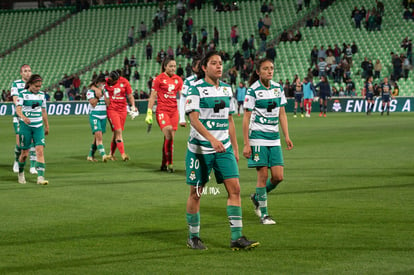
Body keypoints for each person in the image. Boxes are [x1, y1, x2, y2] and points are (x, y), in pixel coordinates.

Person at [184, 51, 259, 250]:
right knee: (196, 193)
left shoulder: (227, 89)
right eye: (214, 63)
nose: (219, 67)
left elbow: (229, 120)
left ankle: (237, 237)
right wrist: (211, 139)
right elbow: (193, 119)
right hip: (200, 149)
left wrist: (234, 147)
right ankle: (193, 237)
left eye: (220, 63)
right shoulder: (195, 88)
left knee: (235, 189)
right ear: (204, 67)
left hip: (223, 148)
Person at [243, 57, 293, 225]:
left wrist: (286, 135)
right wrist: (246, 143)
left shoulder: (278, 89)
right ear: (258, 72)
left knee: (278, 177)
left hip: (274, 137)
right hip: (257, 136)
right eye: (265, 68)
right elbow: (246, 118)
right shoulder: (252, 90)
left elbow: (282, 114)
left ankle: (257, 197)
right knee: (263, 175)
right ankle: (264, 215)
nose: (269, 71)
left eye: (271, 68)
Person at [145, 57, 184, 172]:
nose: (173, 68)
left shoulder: (178, 80)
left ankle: (163, 163)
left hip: (174, 112)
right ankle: (170, 164)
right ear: (165, 67)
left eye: (174, 66)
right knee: (169, 134)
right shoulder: (158, 79)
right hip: (162, 111)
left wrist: (186, 112)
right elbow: (152, 96)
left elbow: (183, 97)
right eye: (171, 66)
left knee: (169, 139)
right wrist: (149, 112)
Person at [15, 74, 49, 185]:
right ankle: (20, 173)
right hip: (26, 127)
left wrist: (47, 125)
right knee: (24, 153)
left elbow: (43, 111)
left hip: (38, 127)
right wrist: (23, 117)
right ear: (30, 84)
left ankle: (40, 177)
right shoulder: (23, 94)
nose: (38, 88)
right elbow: (18, 109)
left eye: (40, 86)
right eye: (36, 86)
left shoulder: (42, 95)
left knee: (40, 151)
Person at [104, 70, 137, 161]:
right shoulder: (106, 82)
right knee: (118, 131)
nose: (111, 82)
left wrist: (133, 106)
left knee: (116, 132)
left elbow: (130, 95)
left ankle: (111, 154)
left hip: (122, 110)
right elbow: (100, 87)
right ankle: (123, 154)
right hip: (112, 110)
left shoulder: (124, 82)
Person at [11, 64, 37, 174]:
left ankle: (32, 166)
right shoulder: (16, 84)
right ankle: (17, 160)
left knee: (32, 142)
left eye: (29, 71)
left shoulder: (34, 84)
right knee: (20, 143)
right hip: (19, 118)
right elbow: (16, 100)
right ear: (21, 73)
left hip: (32, 118)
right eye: (25, 71)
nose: (28, 73)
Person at [86, 76, 111, 162]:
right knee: (99, 137)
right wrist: (97, 97)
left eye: (104, 83)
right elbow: (92, 103)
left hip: (103, 116)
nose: (103, 85)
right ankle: (103, 155)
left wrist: (104, 94)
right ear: (97, 83)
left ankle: (90, 155)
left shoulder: (105, 92)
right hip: (95, 116)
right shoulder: (90, 91)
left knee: (97, 138)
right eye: (101, 83)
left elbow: (108, 103)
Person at [179, 56, 201, 128]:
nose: (201, 67)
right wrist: (182, 118)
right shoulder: (189, 81)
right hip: (196, 116)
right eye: (199, 65)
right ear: (193, 68)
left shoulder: (211, 79)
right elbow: (183, 99)